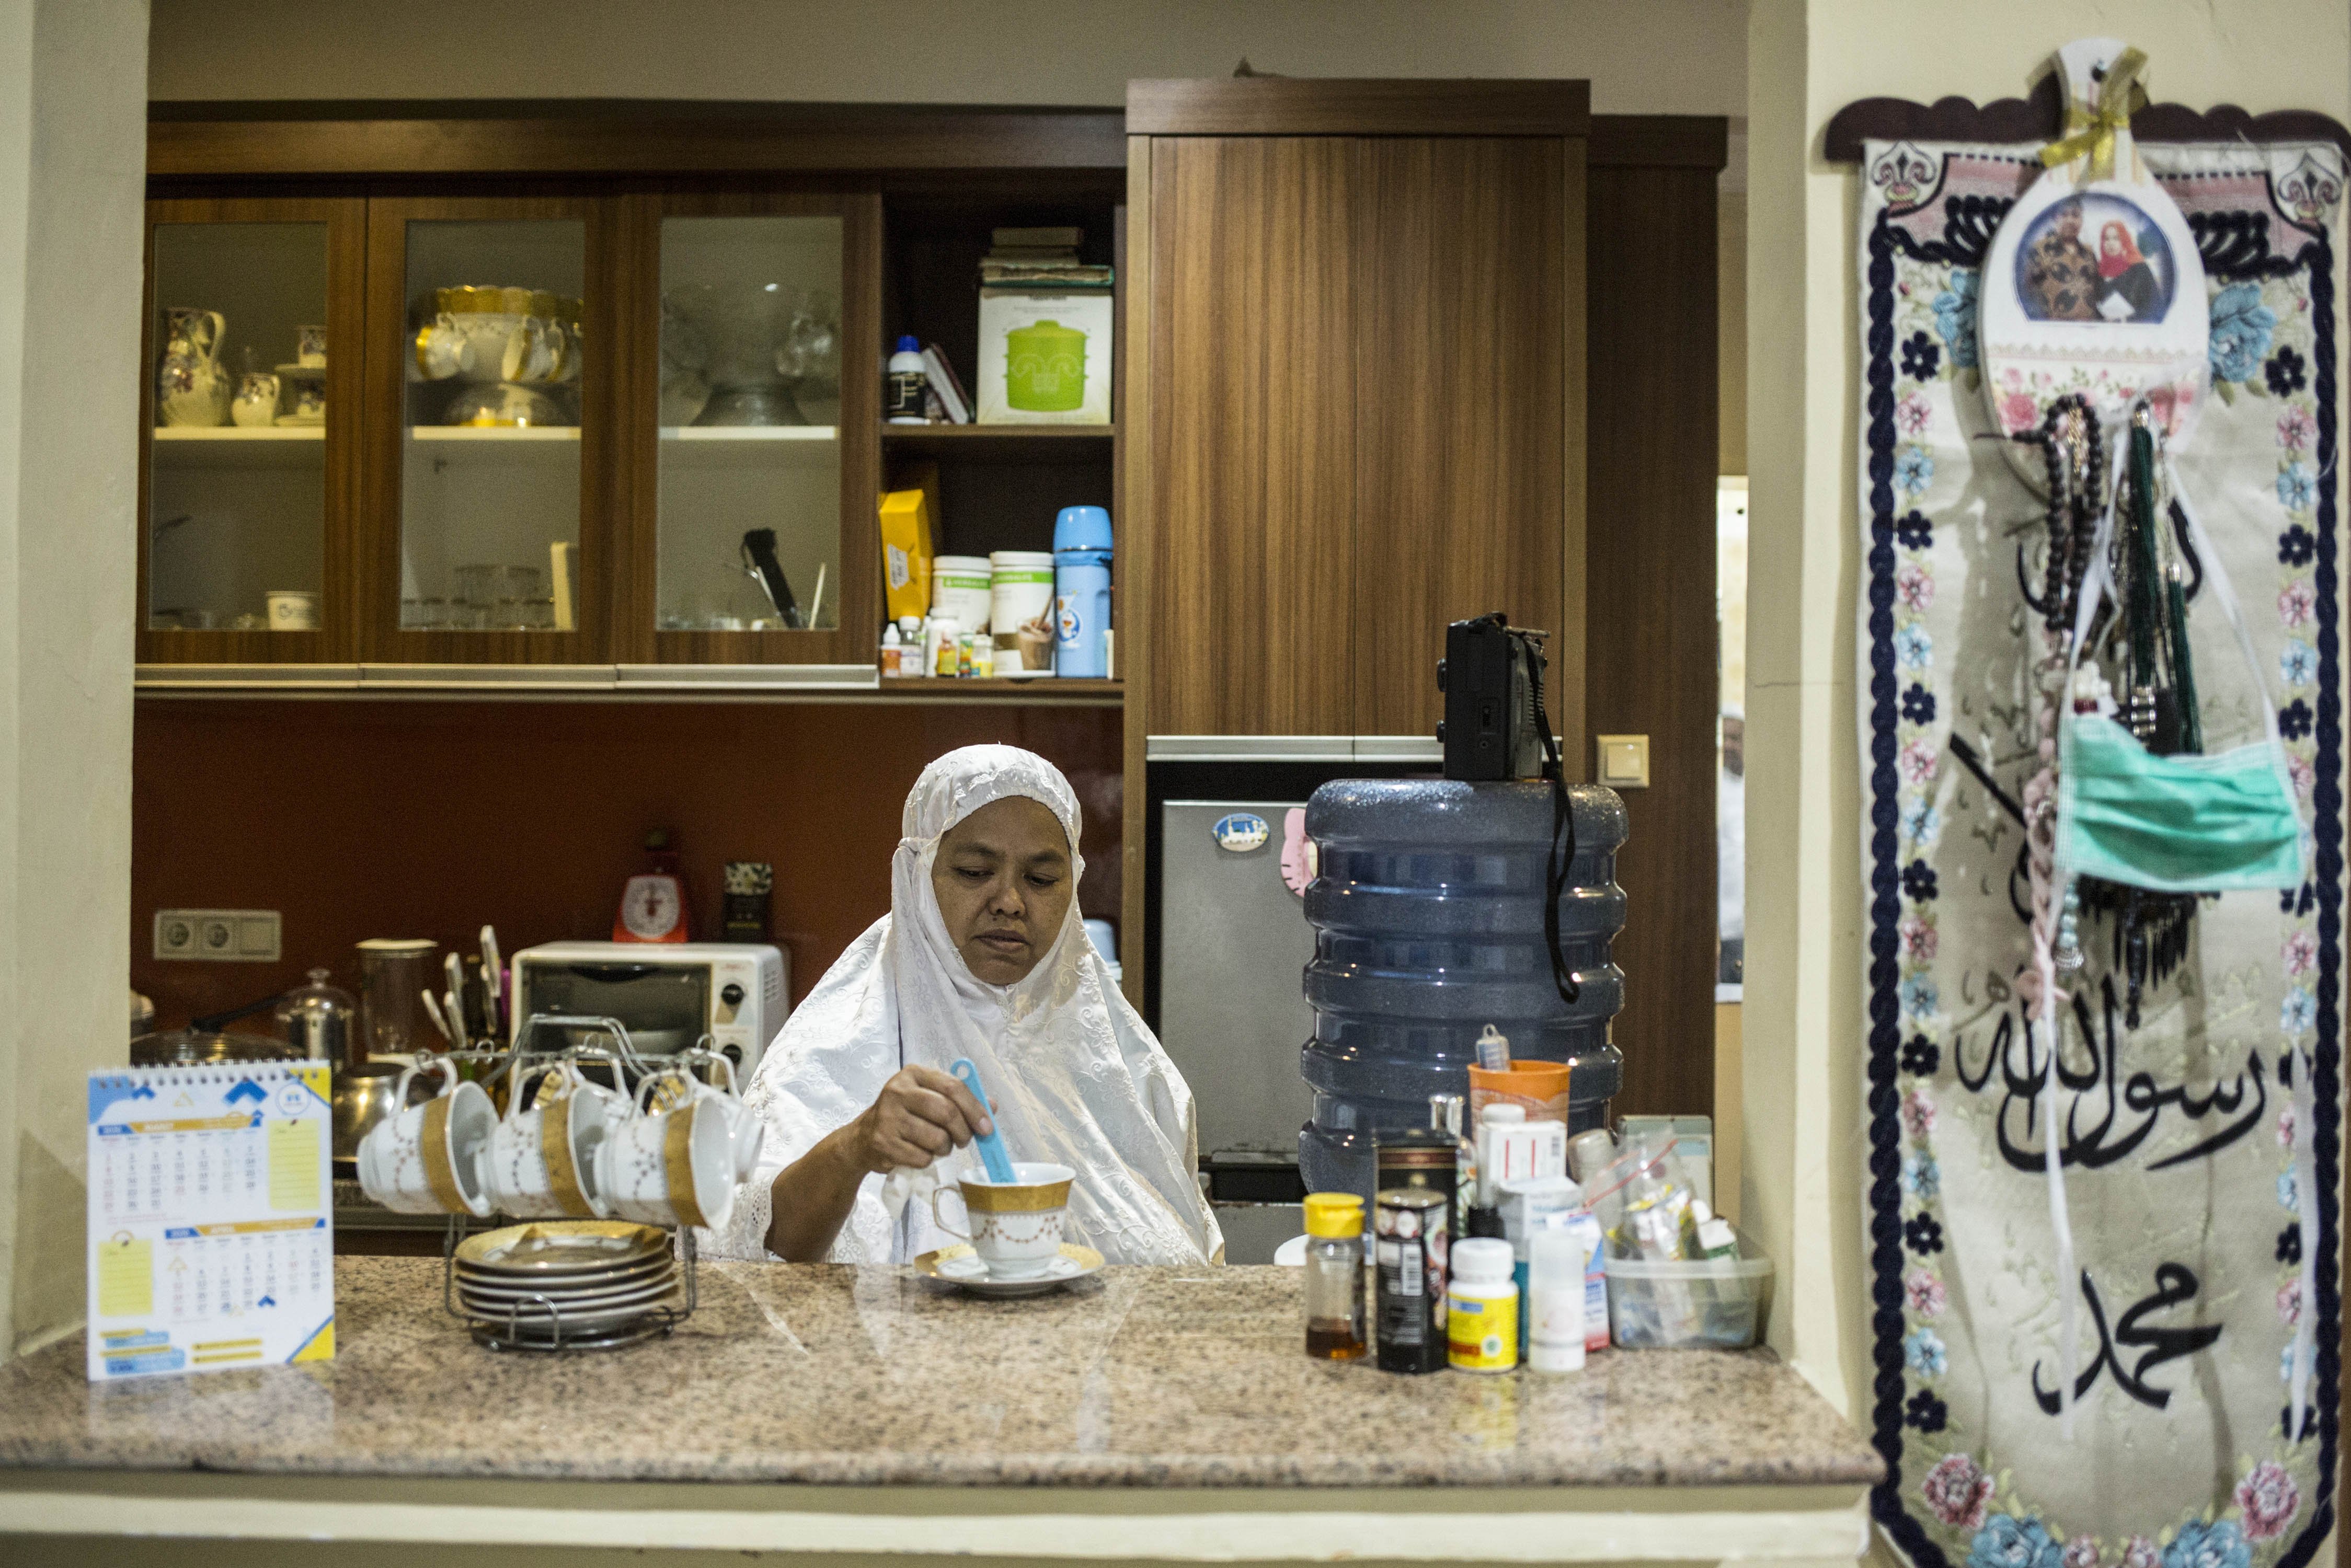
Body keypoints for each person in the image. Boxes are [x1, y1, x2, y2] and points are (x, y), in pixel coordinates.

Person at [705, 745, 1223, 1266]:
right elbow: (760, 1249)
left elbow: (1195, 1261)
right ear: (917, 876)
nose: (1010, 901)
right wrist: (858, 1145)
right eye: (975, 872)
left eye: (1041, 879)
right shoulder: (833, 1046)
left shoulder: (1126, 1064)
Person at [2022, 198, 2099, 321]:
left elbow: (2097, 291)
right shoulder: (2040, 250)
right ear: (2056, 218)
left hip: (2087, 331)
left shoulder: (2089, 253)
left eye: (2075, 215)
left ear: (2081, 220)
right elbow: (2026, 289)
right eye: (2064, 215)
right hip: (2054, 331)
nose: (2070, 221)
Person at [2093, 220, 2161, 321]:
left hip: (2135, 331)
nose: (2111, 243)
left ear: (2124, 241)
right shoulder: (2098, 271)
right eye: (2106, 239)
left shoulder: (2139, 269)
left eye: (2116, 239)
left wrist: (2125, 319)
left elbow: (2155, 307)